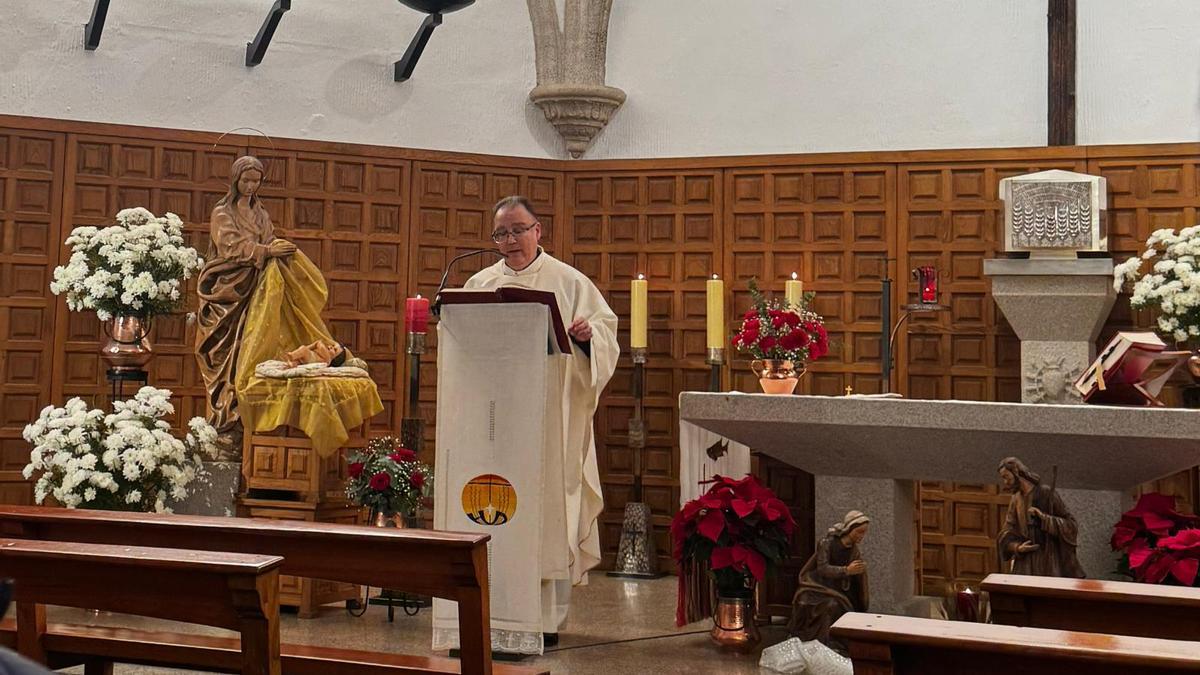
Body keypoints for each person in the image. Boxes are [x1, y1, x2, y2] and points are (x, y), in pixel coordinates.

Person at [465, 195, 618, 641]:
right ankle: (491, 614)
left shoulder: (570, 282)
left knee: (548, 512)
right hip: (496, 425)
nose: (510, 240)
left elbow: (605, 337)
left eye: (518, 229)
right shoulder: (478, 284)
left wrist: (589, 340)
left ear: (538, 230)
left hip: (553, 422)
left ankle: (546, 622)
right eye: (501, 233)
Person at [194, 156, 297, 459]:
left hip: (254, 292)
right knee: (222, 357)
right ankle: (220, 421)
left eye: (256, 181)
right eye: (246, 180)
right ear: (235, 180)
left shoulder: (261, 213)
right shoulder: (222, 213)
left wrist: (278, 249)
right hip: (225, 293)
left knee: (245, 356)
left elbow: (268, 240)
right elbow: (230, 247)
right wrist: (265, 250)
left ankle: (239, 425)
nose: (251, 186)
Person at [788, 510, 870, 655]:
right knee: (828, 605)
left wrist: (859, 573)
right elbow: (822, 569)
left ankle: (834, 643)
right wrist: (846, 570)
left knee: (840, 606)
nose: (861, 536)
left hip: (838, 590)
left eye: (864, 533)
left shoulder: (854, 551)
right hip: (816, 586)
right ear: (849, 529)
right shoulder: (827, 543)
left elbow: (856, 577)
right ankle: (819, 643)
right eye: (859, 532)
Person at [996, 457, 1086, 578]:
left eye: (1006, 477)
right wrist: (1017, 547)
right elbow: (1007, 530)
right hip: (1025, 565)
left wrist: (1044, 519)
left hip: (1048, 560)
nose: (1005, 482)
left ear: (1017, 473)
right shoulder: (1016, 499)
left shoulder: (1046, 493)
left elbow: (1071, 525)